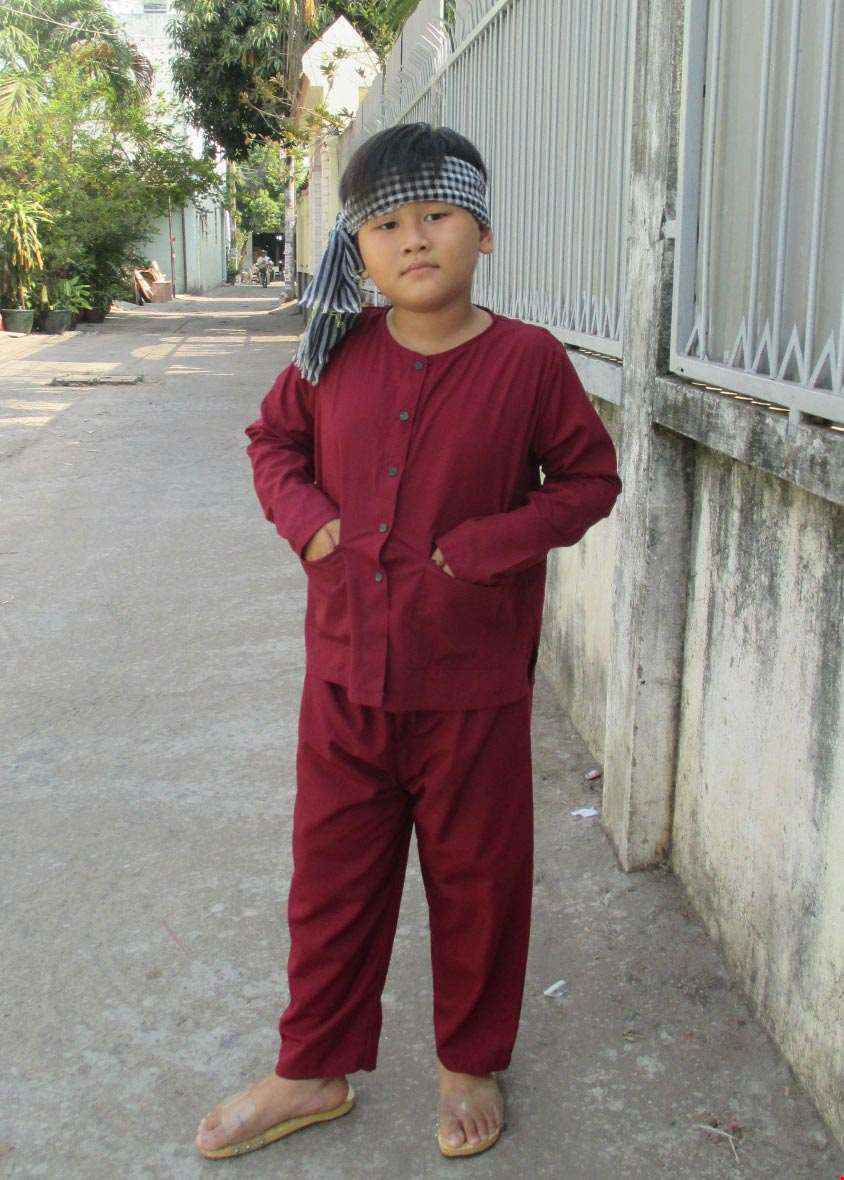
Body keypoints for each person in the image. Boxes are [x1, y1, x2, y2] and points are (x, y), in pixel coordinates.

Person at [195, 123, 622, 1162]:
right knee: (331, 880)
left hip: (472, 685)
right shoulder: (332, 349)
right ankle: (312, 1066)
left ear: (485, 232)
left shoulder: (527, 362)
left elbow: (588, 480)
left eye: (437, 215)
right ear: (358, 247)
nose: (413, 239)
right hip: (345, 679)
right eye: (385, 224)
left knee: (478, 880)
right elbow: (272, 441)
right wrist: (311, 522)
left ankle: (469, 1059)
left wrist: (490, 545)